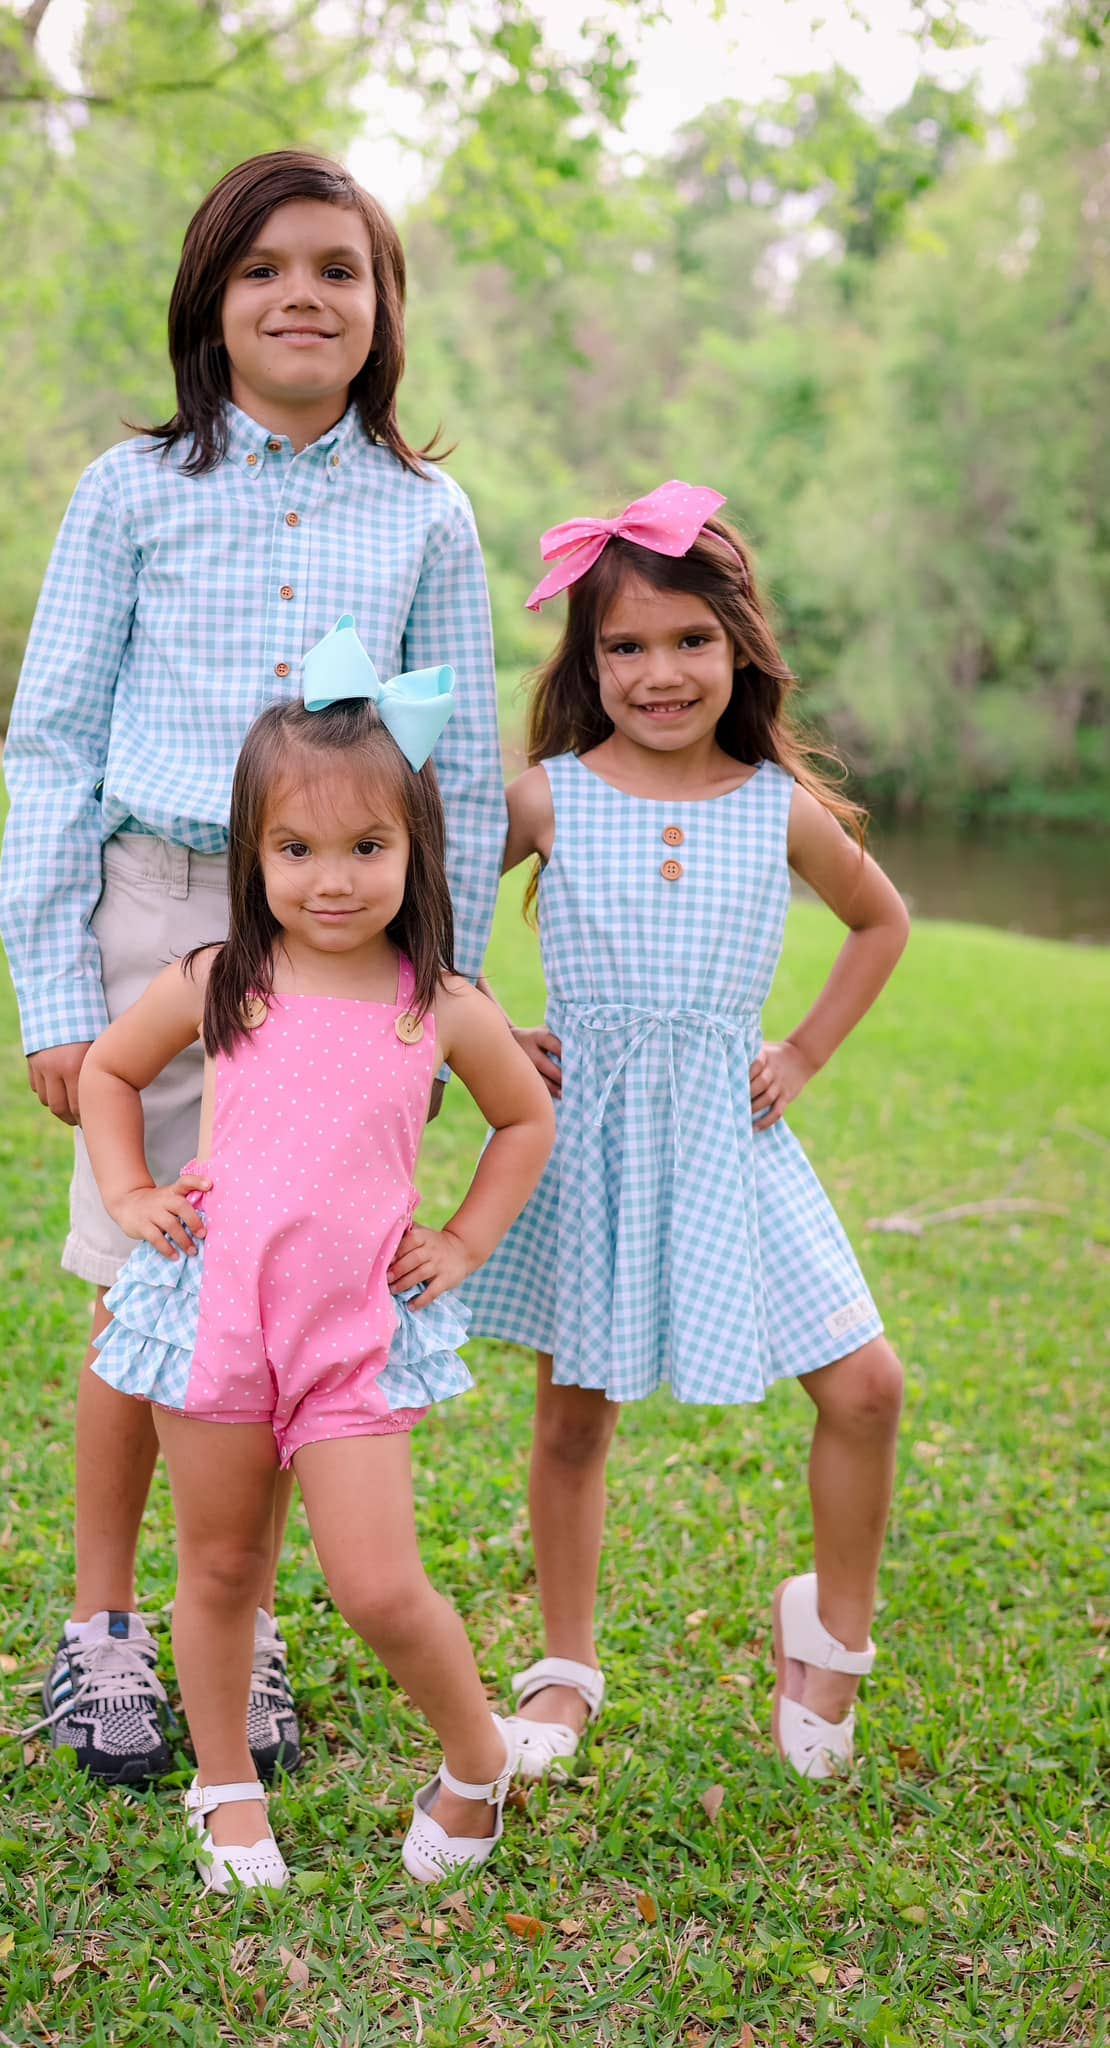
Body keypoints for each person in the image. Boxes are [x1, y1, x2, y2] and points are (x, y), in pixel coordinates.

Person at [0, 151, 505, 1787]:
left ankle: (243, 1617)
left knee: (297, 1284)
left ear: (384, 311)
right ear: (210, 301)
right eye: (267, 266)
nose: (306, 293)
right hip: (160, 913)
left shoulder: (426, 512)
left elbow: (471, 772)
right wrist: (56, 994)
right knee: (143, 1280)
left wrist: (440, 1003)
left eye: (342, 269)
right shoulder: (129, 489)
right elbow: (53, 739)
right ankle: (105, 1633)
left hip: (356, 950)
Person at [75, 629, 553, 1890]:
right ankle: (224, 1785)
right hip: (216, 1307)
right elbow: (111, 1070)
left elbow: (525, 1117)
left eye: (365, 848)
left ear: (414, 850)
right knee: (222, 1563)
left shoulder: (441, 1001)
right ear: (253, 852)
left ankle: (475, 1759)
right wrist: (128, 1185)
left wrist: (463, 1234)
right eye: (295, 849)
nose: (330, 879)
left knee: (380, 1583)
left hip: (352, 1326)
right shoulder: (222, 975)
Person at [463, 483, 909, 1783]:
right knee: (571, 1419)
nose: (658, 673)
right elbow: (413, 909)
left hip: (730, 1132)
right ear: (585, 661)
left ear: (738, 649)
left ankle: (829, 1633)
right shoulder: (546, 798)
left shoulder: (775, 808)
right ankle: (562, 1672)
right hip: (588, 1135)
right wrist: (484, 1017)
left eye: (687, 642)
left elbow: (880, 923)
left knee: (865, 1384)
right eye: (624, 647)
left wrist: (805, 1049)